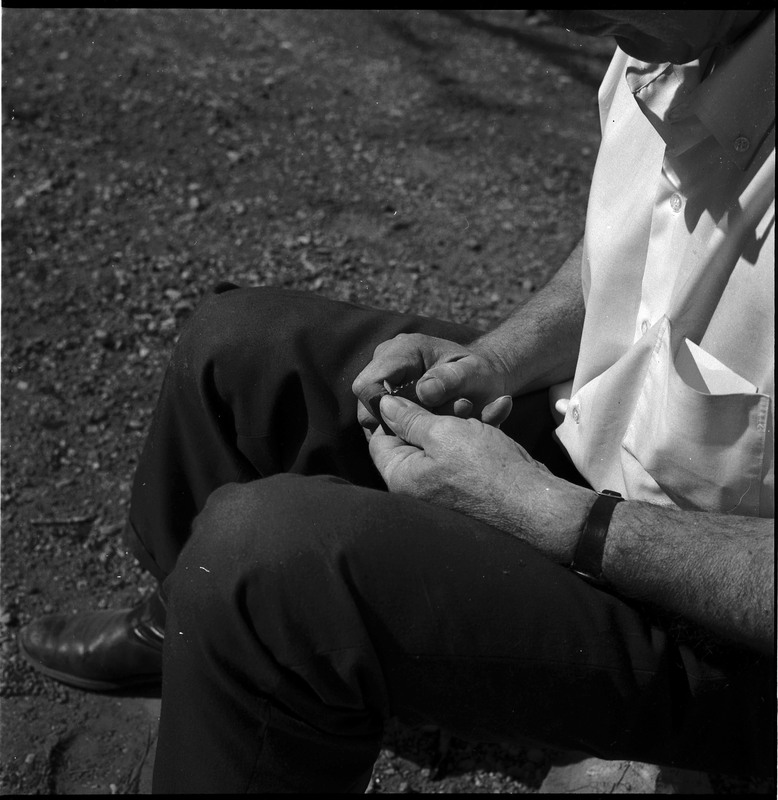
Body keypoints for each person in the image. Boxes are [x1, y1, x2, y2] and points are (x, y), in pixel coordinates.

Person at [19, 9, 774, 793]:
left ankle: (232, 658)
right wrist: (496, 359)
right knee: (241, 350)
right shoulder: (668, 41)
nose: (556, 19)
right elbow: (635, 237)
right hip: (598, 466)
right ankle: (185, 638)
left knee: (268, 564)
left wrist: (550, 516)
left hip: (726, 633)